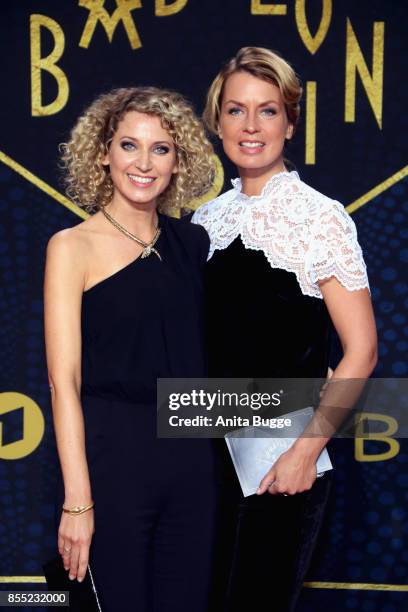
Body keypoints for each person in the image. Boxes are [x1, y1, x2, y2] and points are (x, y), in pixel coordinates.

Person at [192, 47, 378, 612]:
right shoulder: (206, 219)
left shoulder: (319, 217)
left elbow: (362, 351)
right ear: (216, 120)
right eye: (235, 110)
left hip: (282, 463)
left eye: (267, 111)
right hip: (207, 460)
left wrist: (304, 451)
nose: (251, 127)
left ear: (290, 122)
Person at [44, 86, 217, 612]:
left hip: (193, 460)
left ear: (177, 161)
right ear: (103, 152)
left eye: (161, 148)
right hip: (112, 461)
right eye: (129, 145)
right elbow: (63, 381)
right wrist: (78, 501)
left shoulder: (192, 244)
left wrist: (316, 395)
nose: (144, 163)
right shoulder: (71, 246)